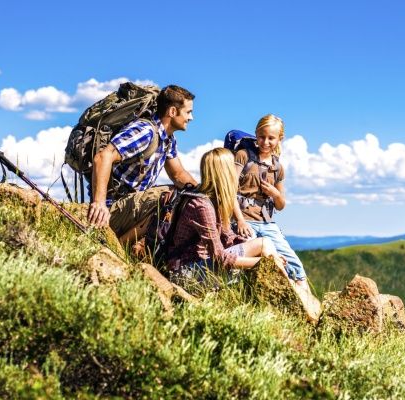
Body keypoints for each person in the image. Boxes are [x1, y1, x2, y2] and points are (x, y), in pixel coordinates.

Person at [86, 85, 198, 242]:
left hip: (131, 206)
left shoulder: (168, 140)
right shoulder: (145, 131)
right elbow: (103, 157)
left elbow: (178, 174)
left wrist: (203, 194)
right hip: (113, 207)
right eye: (188, 112)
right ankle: (117, 245)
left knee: (183, 195)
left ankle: (123, 246)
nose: (191, 118)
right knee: (167, 196)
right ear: (172, 112)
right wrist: (99, 204)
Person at [166, 147, 287, 283]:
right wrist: (265, 262)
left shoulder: (215, 200)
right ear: (225, 173)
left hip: (201, 264)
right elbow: (220, 258)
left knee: (263, 243)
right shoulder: (202, 205)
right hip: (186, 273)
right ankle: (288, 296)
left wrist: (265, 254)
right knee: (264, 248)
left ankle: (286, 294)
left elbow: (228, 238)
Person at [232, 114, 313, 294]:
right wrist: (239, 220)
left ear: (279, 139)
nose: (265, 142)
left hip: (266, 223)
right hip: (244, 219)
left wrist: (275, 194)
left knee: (293, 263)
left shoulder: (277, 167)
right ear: (256, 134)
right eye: (262, 136)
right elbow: (229, 190)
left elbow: (280, 205)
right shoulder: (243, 156)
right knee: (255, 262)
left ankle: (303, 295)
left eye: (271, 138)